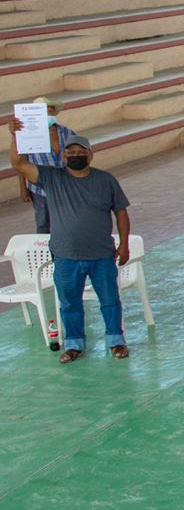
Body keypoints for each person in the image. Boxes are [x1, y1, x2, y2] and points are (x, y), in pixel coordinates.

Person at [8, 127, 129, 363]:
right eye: (70, 152)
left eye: (80, 151)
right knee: (69, 303)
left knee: (110, 301)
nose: (75, 155)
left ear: (90, 155)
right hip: (65, 256)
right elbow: (19, 164)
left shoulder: (105, 179)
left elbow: (121, 213)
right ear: (63, 156)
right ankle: (74, 344)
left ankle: (116, 341)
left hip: (101, 254)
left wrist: (124, 244)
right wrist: (15, 136)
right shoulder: (52, 178)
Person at [17, 96, 69, 234]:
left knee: (65, 220)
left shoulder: (66, 132)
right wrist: (23, 187)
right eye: (46, 111)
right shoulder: (28, 136)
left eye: (51, 111)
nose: (49, 114)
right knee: (43, 223)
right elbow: (21, 162)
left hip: (63, 185)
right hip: (40, 188)